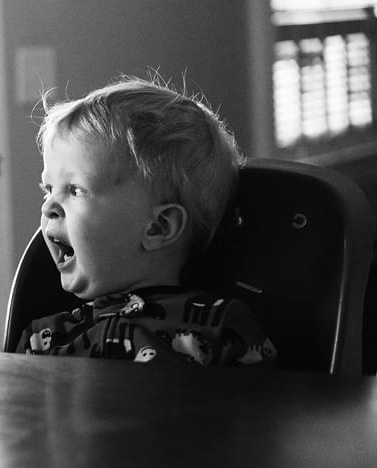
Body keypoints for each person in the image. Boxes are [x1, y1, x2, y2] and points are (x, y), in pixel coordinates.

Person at [16, 76, 276, 366]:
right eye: (48, 190)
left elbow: (265, 408)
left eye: (75, 190)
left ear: (158, 227)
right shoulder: (44, 340)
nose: (50, 206)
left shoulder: (218, 328)